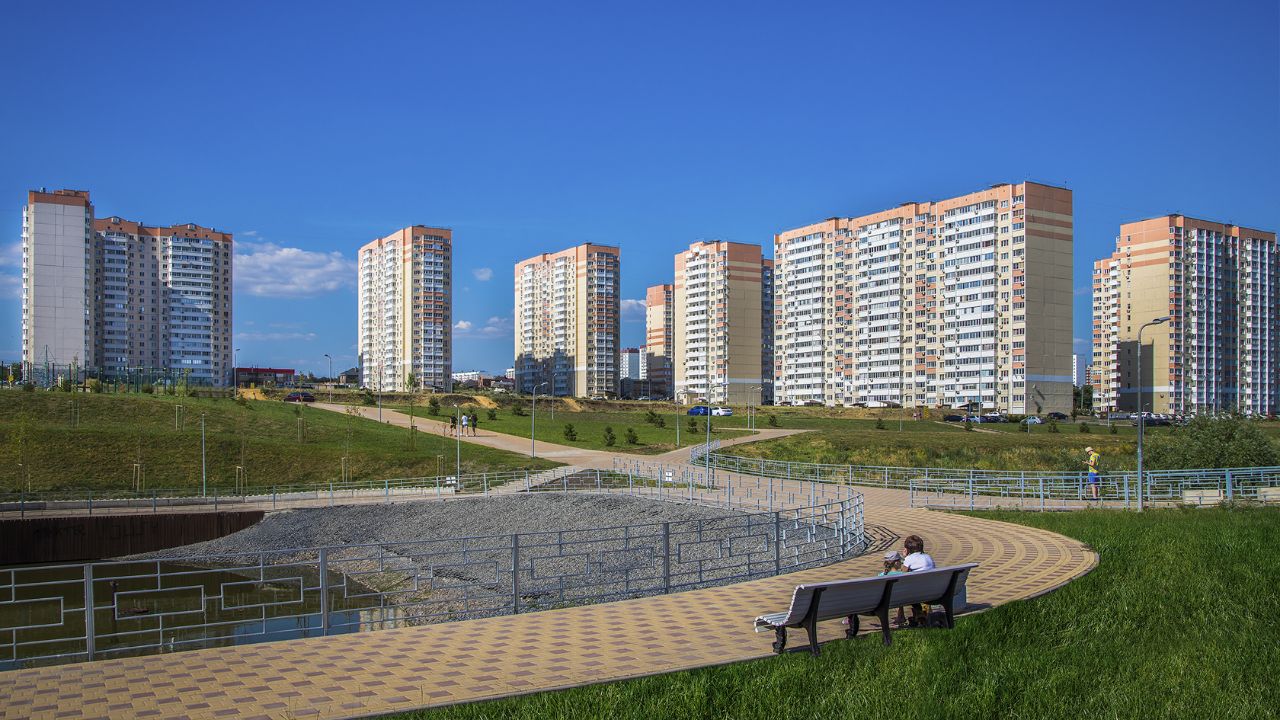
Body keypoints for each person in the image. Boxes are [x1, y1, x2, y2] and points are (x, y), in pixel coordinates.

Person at [902, 535, 935, 627]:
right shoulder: (928, 557)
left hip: (917, 592)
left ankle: (919, 613)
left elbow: (902, 573)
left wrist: (905, 557)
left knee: (907, 592)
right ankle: (921, 614)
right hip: (934, 589)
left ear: (907, 549)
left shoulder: (909, 559)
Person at [881, 550, 910, 628]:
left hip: (885, 600)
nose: (902, 563)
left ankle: (900, 616)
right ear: (896, 563)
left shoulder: (881, 575)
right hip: (903, 598)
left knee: (894, 593)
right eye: (900, 561)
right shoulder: (903, 574)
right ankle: (901, 616)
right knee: (898, 593)